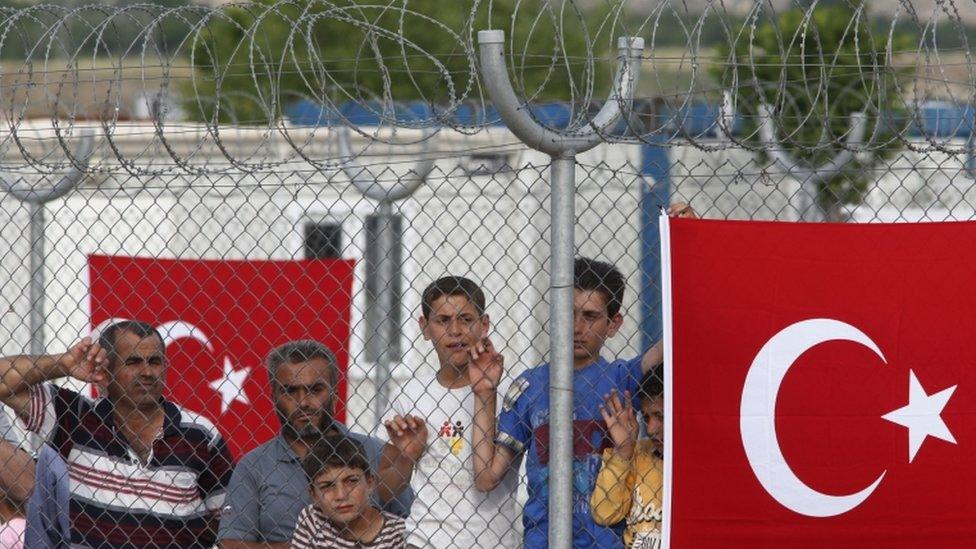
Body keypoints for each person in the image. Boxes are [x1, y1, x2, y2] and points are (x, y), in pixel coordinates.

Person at [0, 320, 235, 548]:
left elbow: (231, 523)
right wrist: (65, 363)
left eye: (154, 361)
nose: (147, 372)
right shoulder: (76, 417)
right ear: (106, 369)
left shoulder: (199, 434)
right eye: (132, 362)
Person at [218, 340, 413, 548]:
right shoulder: (254, 466)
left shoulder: (376, 453)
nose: (303, 402)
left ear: (335, 393)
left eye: (315, 389)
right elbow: (231, 544)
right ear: (273, 397)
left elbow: (413, 527)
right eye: (290, 391)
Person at [378, 276, 519, 548]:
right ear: (425, 327)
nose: (455, 330)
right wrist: (406, 457)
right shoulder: (410, 394)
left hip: (493, 542)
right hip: (425, 541)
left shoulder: (508, 393)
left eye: (466, 319)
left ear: (485, 325)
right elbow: (386, 490)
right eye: (442, 320)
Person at [590, 365, 664, 548]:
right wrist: (623, 453)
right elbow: (604, 513)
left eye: (660, 416)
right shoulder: (637, 454)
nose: (651, 429)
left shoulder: (702, 465)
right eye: (646, 418)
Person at [291, 435, 406, 549]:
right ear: (314, 495)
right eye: (327, 486)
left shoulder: (399, 534)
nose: (341, 495)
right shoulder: (313, 520)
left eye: (351, 481)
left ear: (369, 483)